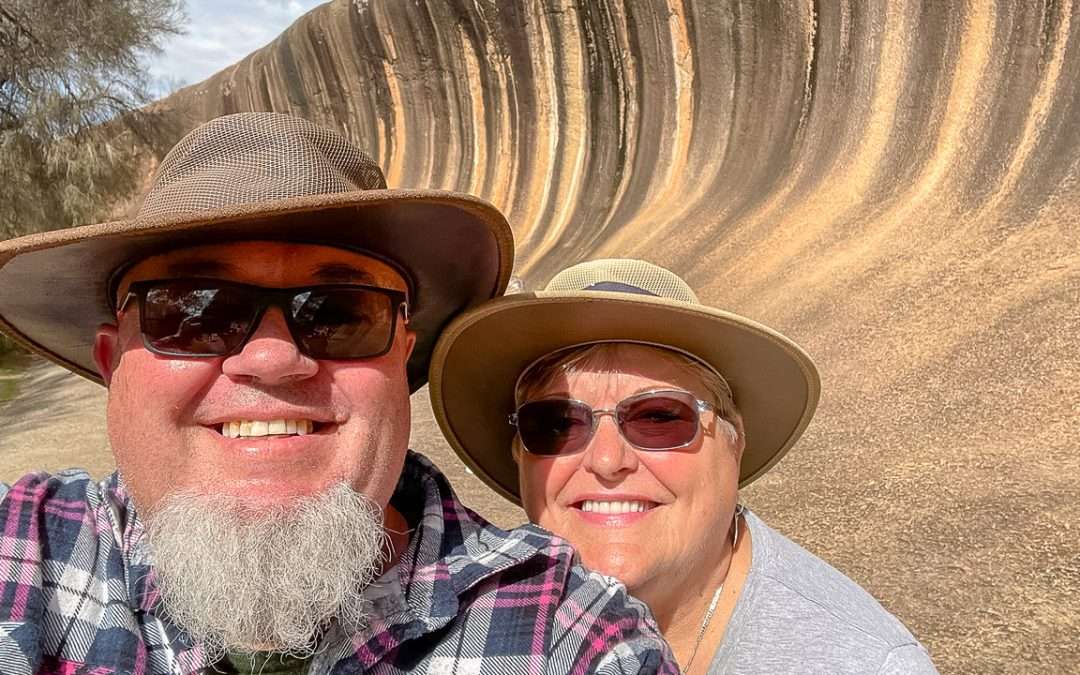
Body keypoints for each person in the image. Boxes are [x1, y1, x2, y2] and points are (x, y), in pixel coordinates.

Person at [0, 114, 676, 674]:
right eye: (193, 310)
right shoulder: (25, 552)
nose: (271, 358)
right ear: (112, 361)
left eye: (339, 311)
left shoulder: (567, 636)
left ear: (402, 356)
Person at [430, 258, 940, 674]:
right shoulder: (459, 626)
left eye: (658, 418)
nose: (607, 461)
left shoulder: (862, 663)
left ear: (734, 443)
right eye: (558, 423)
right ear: (521, 452)